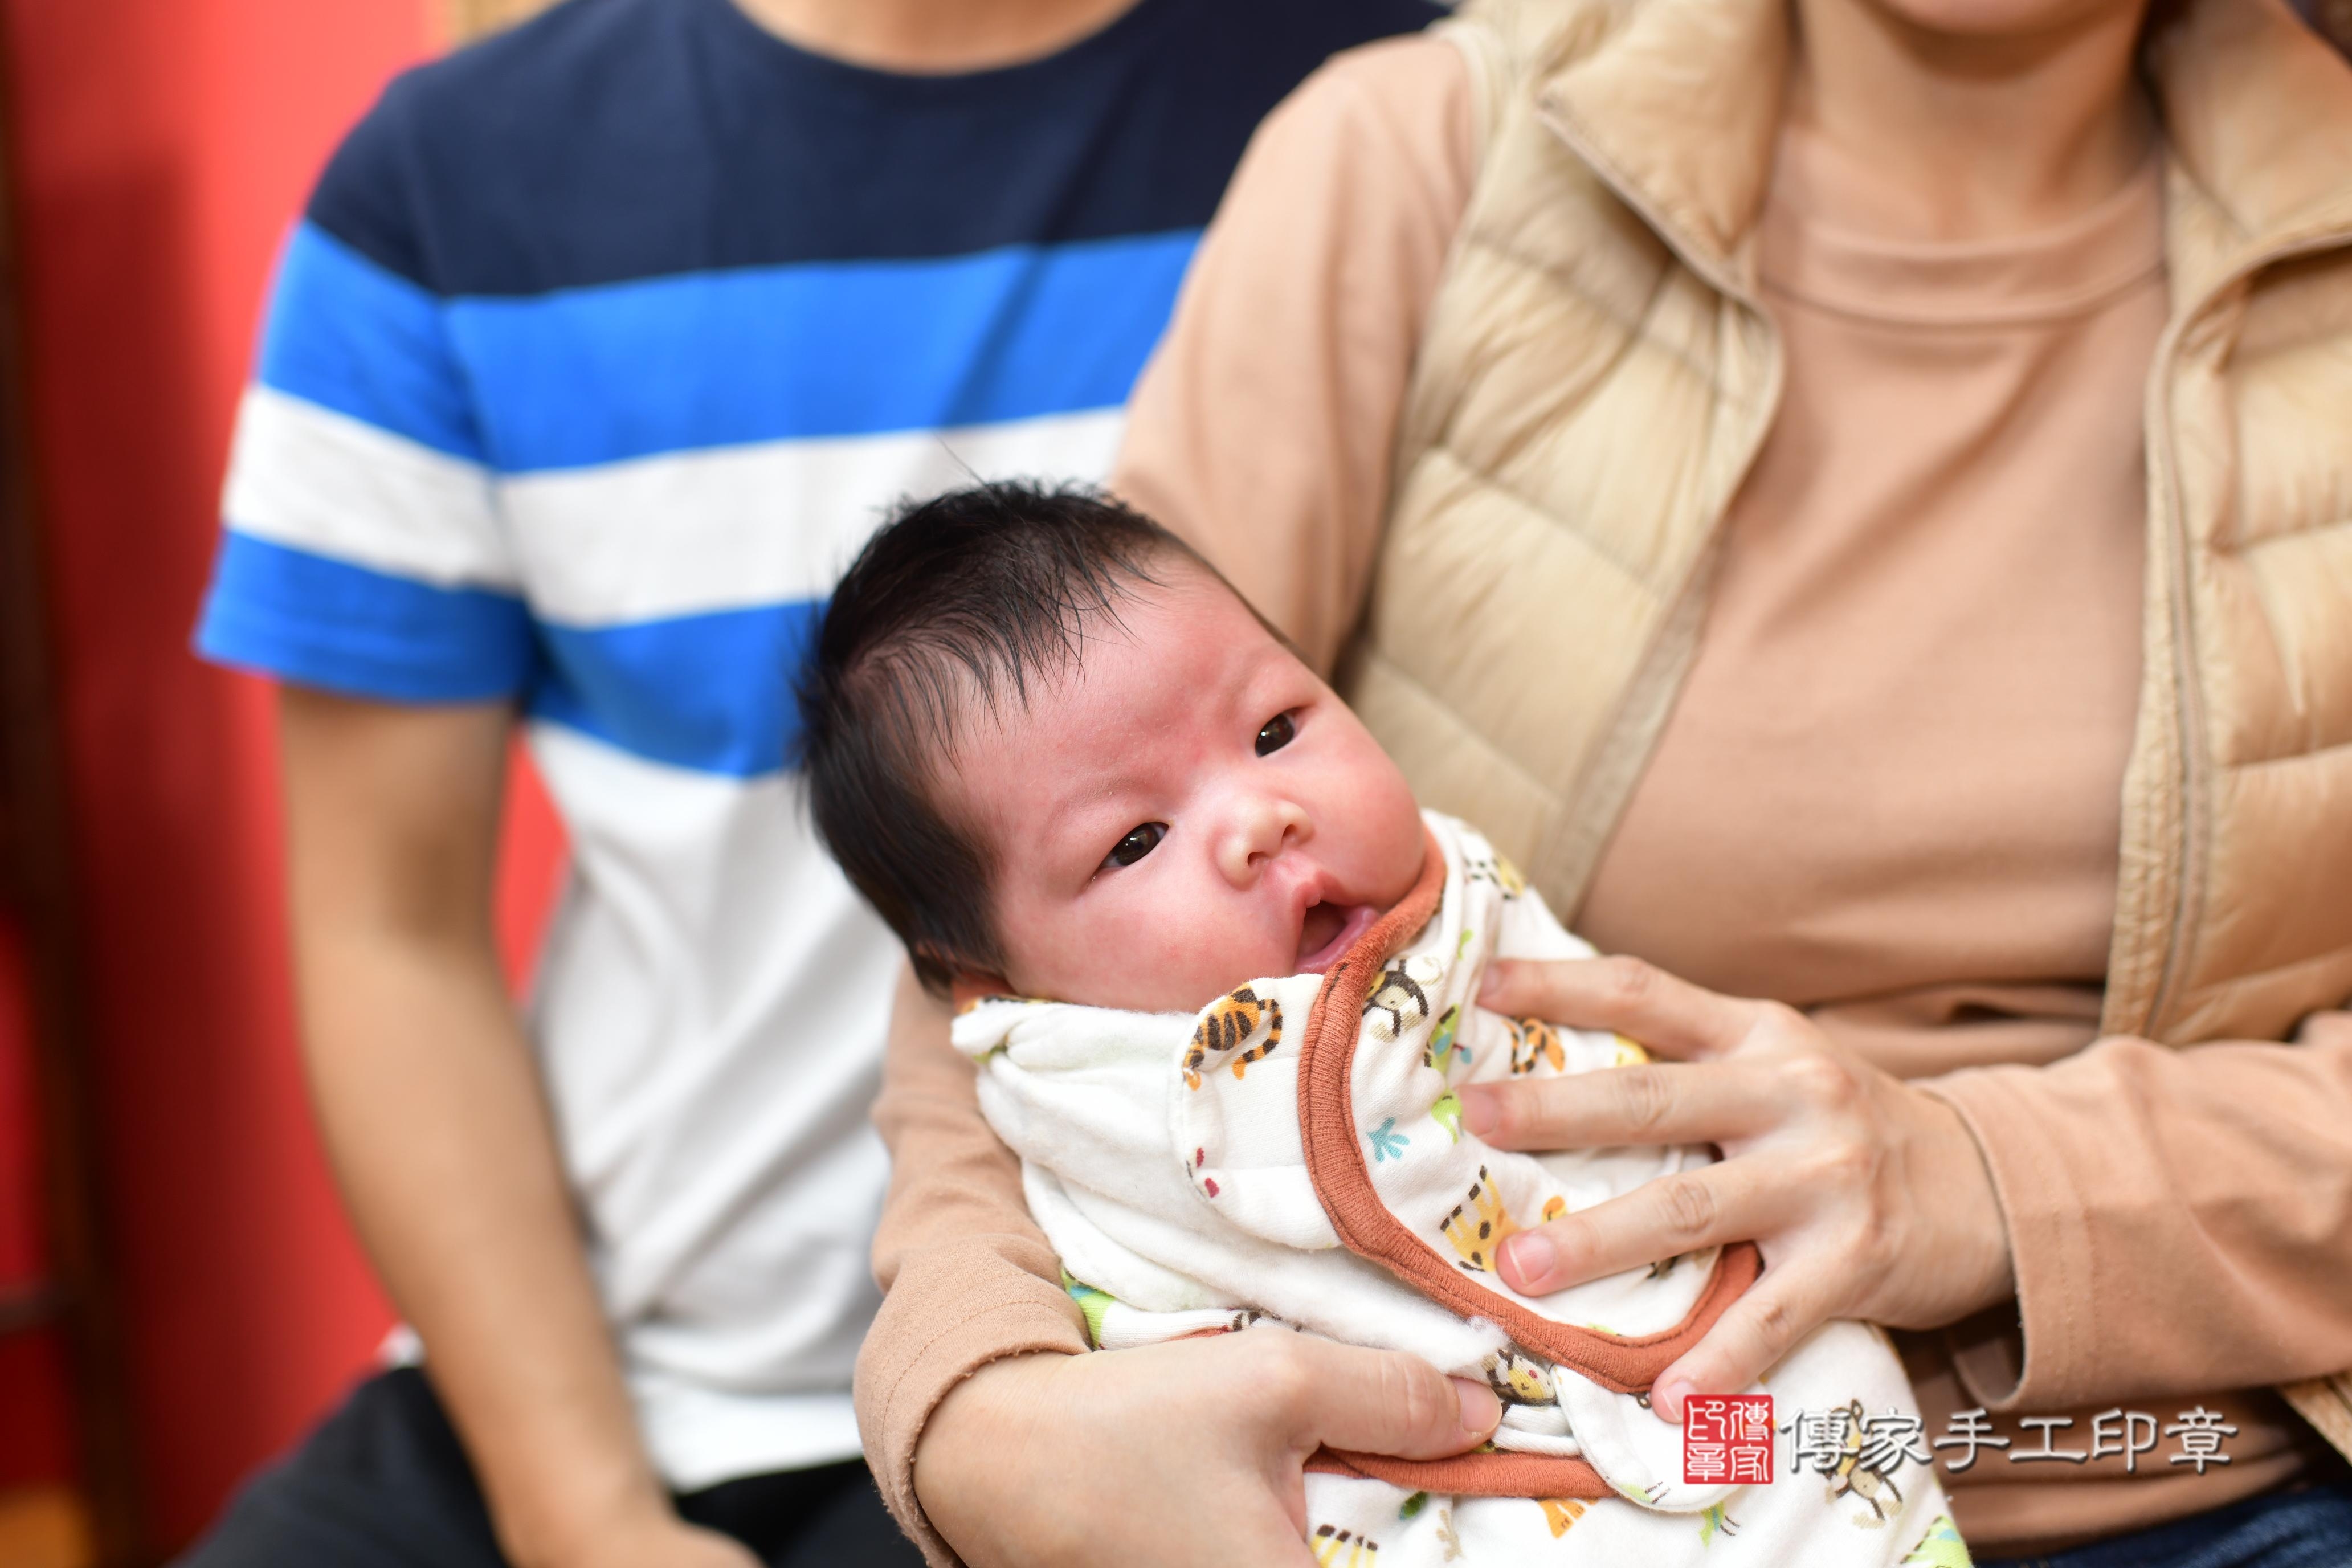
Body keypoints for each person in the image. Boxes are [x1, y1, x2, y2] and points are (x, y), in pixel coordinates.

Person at [851, 0, 2352, 1563]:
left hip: (2200, 1478)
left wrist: (1989, 1182)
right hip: (1470, 1486)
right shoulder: (1425, 162)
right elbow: (1031, 882)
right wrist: (984, 1415)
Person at [178, 0, 1436, 1563]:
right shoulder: (447, 192)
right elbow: (387, 930)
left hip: (1171, 1341)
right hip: (607, 1376)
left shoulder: (1399, 116)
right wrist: (583, 1512)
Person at [797, 483, 1955, 1564]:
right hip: (1395, 1488)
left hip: (1704, 1377)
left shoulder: (1462, 913)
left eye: (1276, 727)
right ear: (987, 979)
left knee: (1823, 1404)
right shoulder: (1078, 1077)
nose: (1262, 816)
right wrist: (977, 1419)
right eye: (1133, 840)